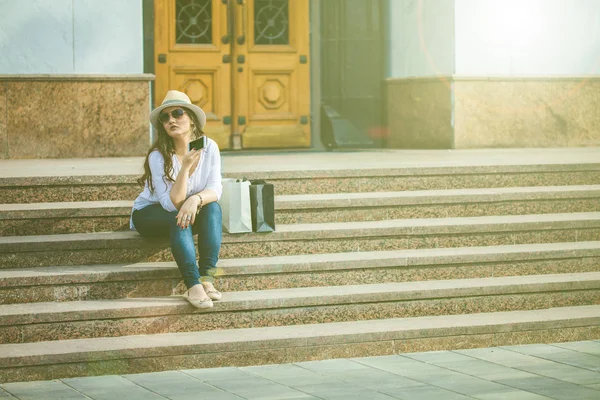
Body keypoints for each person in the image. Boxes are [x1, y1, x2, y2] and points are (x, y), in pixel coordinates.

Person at [130, 90, 223, 309]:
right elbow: (170, 204)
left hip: (186, 210)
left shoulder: (209, 147)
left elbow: (215, 188)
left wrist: (196, 199)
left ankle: (207, 277)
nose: (171, 119)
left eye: (178, 113)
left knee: (213, 208)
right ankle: (193, 285)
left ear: (191, 119)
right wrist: (186, 168)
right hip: (150, 214)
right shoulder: (158, 156)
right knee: (176, 216)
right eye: (165, 117)